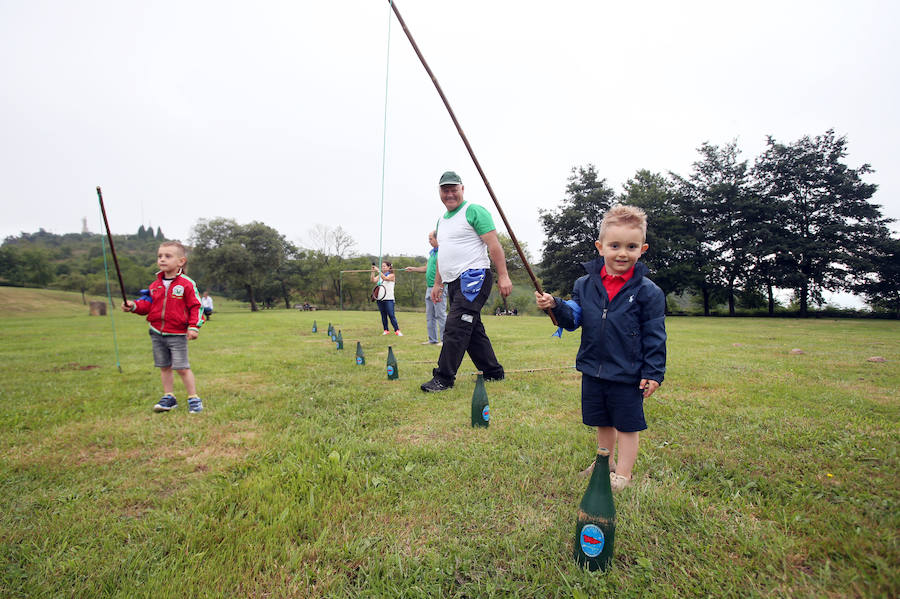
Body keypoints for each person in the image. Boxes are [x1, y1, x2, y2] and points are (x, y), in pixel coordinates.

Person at [535, 204, 666, 491]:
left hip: (628, 372)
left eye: (631, 246)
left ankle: (624, 473)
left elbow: (655, 335)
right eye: (615, 245)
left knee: (628, 425)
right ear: (600, 246)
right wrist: (554, 305)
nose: (622, 253)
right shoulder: (584, 284)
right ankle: (604, 461)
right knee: (603, 421)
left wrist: (653, 372)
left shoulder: (648, 291)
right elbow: (572, 320)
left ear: (642, 249)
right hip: (593, 367)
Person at [420, 170, 512, 392]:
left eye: (454, 189)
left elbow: (494, 246)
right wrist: (437, 284)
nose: (449, 194)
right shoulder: (441, 221)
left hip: (474, 277)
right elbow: (443, 255)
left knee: (456, 327)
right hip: (452, 282)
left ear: (462, 189)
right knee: (472, 328)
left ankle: (443, 378)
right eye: (445, 190)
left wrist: (503, 275)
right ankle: (493, 372)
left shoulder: (474, 211)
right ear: (440, 192)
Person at [122, 241, 205, 414]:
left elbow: (196, 307)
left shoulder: (187, 284)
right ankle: (169, 397)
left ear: (181, 261)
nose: (162, 259)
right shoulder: (155, 285)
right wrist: (134, 306)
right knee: (164, 366)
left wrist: (194, 327)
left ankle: (193, 398)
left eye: (168, 256)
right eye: (160, 256)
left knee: (182, 367)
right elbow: (148, 306)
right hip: (157, 333)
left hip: (177, 334)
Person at [404, 230, 446, 345]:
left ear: (438, 239)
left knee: (440, 314)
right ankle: (432, 340)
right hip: (429, 288)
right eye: (429, 239)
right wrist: (413, 269)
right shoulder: (432, 253)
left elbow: (445, 270)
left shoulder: (443, 252)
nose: (429, 241)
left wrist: (441, 287)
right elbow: (426, 268)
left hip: (439, 287)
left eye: (431, 239)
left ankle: (444, 340)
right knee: (430, 316)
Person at [371, 261, 403, 336]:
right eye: (382, 266)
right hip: (380, 298)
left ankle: (397, 330)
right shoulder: (380, 275)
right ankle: (386, 330)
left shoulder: (392, 275)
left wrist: (378, 270)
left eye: (384, 266)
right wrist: (372, 272)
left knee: (391, 315)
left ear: (389, 267)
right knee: (383, 315)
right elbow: (373, 280)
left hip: (389, 298)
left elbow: (385, 278)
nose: (383, 268)